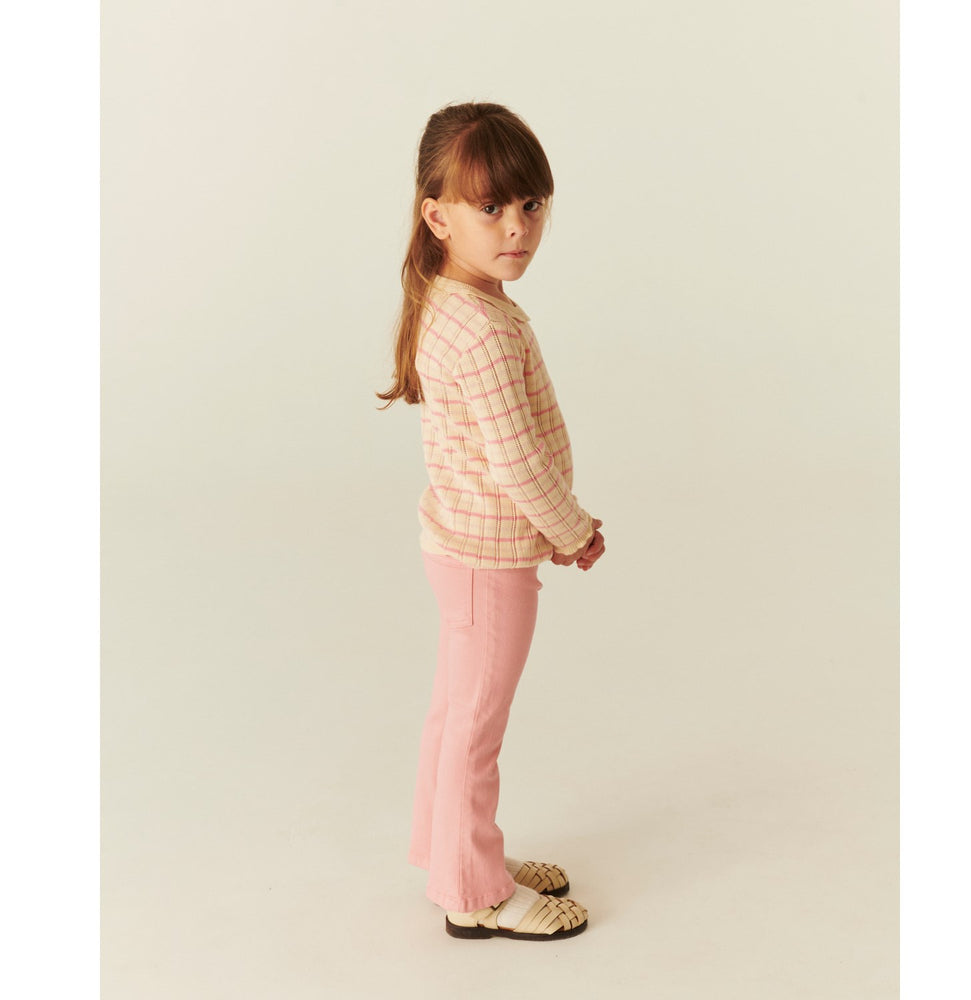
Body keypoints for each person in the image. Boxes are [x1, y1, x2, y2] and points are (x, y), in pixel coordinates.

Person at [378, 102, 605, 941]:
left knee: (456, 711)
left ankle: (453, 853)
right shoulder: (481, 331)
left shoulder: (456, 301)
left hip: (460, 548)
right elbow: (518, 462)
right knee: (476, 725)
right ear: (437, 217)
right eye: (491, 207)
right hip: (490, 558)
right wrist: (573, 529)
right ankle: (472, 892)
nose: (518, 227)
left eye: (532, 204)